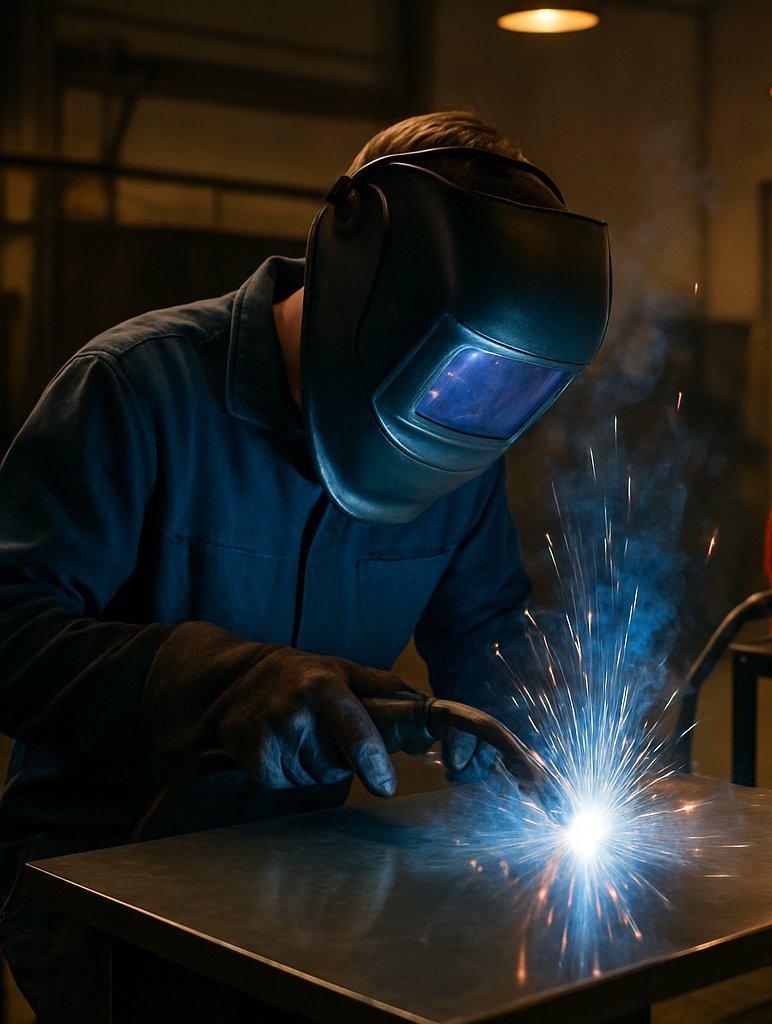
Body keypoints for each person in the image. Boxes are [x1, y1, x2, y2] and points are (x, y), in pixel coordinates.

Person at [0, 109, 611, 1022]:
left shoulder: (462, 435)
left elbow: (484, 630)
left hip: (318, 858)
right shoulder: (135, 389)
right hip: (105, 869)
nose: (460, 411)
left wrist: (550, 726)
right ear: (362, 274)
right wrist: (213, 683)